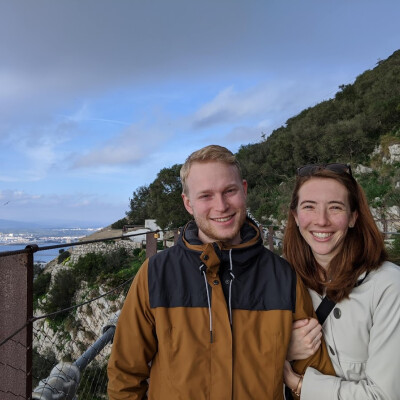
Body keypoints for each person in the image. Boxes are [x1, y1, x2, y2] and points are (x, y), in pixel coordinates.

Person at [107, 145, 334, 400]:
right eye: (206, 196)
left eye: (229, 191)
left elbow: (316, 373)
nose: (221, 205)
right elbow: (125, 376)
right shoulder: (156, 274)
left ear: (244, 190)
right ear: (188, 203)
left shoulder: (283, 277)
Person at [282, 163, 400, 399]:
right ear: (295, 216)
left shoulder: (389, 285)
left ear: (353, 217)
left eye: (335, 208)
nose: (322, 220)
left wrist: (298, 384)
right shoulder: (282, 279)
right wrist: (284, 348)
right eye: (309, 207)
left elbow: (384, 395)